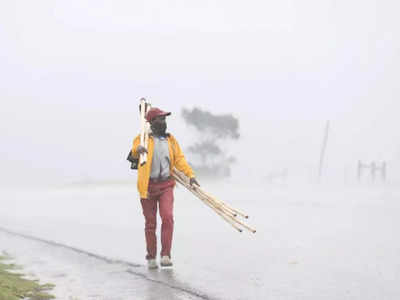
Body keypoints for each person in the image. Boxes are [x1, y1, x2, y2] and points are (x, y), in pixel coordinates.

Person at [131, 107, 200, 269]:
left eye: (165, 119)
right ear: (152, 122)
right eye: (160, 119)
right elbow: (134, 152)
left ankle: (166, 255)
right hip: (147, 187)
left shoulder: (170, 140)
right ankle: (151, 257)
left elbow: (180, 160)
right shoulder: (142, 139)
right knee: (150, 223)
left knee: (167, 217)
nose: (164, 122)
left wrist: (191, 176)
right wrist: (138, 149)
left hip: (166, 185)